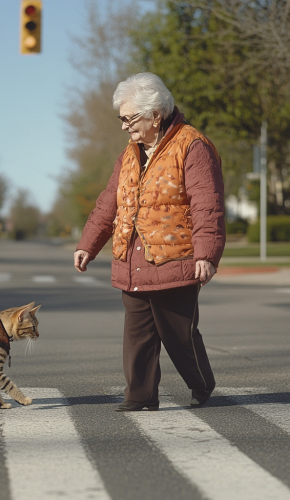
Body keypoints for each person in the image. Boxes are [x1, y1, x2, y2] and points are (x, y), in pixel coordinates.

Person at [74, 72, 225, 411]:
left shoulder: (192, 145)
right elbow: (108, 201)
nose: (124, 126)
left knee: (179, 335)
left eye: (129, 118)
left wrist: (207, 254)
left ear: (155, 115)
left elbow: (207, 203)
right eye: (122, 119)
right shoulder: (129, 154)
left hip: (176, 256)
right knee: (137, 335)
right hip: (133, 258)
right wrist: (88, 244)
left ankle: (202, 384)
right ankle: (141, 397)